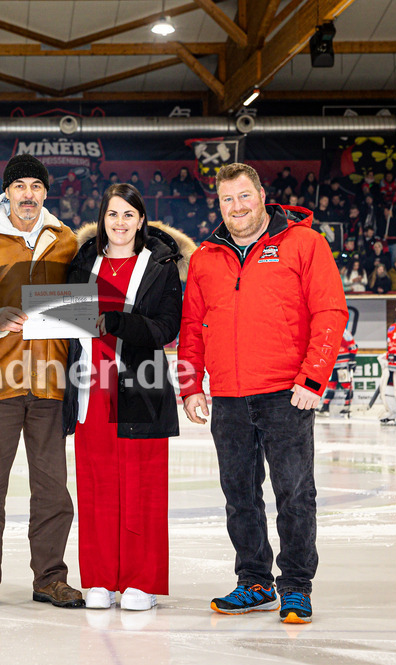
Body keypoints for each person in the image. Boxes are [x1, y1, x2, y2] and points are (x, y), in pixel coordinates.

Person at [178, 162, 348, 625]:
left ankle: (295, 586)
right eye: (227, 199)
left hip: (286, 394)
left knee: (294, 494)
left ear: (261, 195)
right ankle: (254, 581)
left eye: (244, 196)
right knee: (239, 496)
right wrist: (191, 384)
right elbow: (192, 325)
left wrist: (313, 377)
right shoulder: (205, 257)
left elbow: (330, 310)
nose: (237, 207)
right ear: (219, 204)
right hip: (229, 397)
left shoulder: (303, 243)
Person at [0, 153, 83, 611]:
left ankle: (50, 578)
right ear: (7, 192)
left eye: (36, 186)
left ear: (46, 193)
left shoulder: (66, 241)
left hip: (50, 382)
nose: (28, 194)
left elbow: (80, 301)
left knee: (52, 489)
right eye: (20, 186)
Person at [62, 184, 190, 611]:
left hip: (141, 388)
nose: (120, 222)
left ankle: (141, 581)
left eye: (128, 214)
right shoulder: (83, 263)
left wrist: (119, 321)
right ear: (102, 219)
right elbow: (65, 319)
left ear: (141, 220)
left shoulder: (160, 266)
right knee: (96, 488)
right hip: (90, 389)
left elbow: (166, 328)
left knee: (142, 488)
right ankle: (99, 578)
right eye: (112, 214)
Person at [318, 328, 358, 417]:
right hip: (333, 364)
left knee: (346, 385)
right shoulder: (328, 331)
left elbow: (353, 346)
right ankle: (325, 407)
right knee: (331, 385)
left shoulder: (344, 332)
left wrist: (352, 359)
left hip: (343, 363)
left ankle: (347, 407)